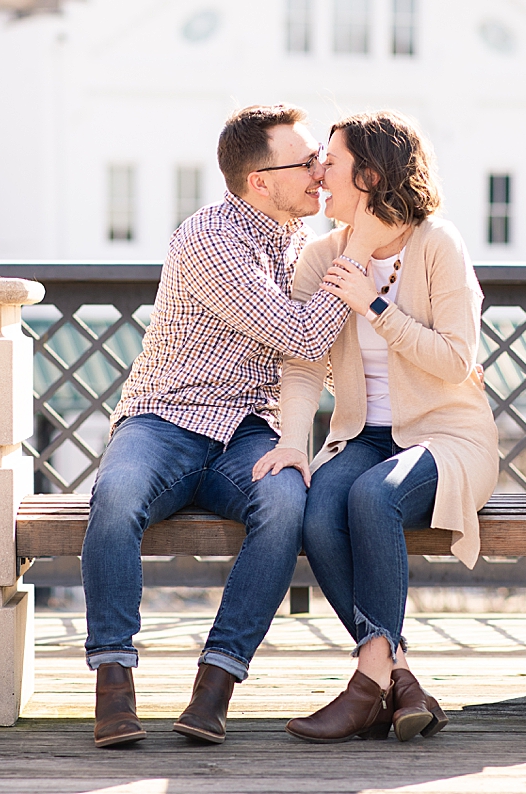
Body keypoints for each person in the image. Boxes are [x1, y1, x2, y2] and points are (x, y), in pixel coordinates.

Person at [82, 104, 401, 748]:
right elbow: (304, 336)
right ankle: (113, 678)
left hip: (248, 430)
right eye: (306, 162)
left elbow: (322, 361)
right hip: (165, 416)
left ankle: (216, 682)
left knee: (286, 506)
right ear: (261, 181)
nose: (320, 173)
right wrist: (355, 263)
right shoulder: (208, 239)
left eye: (321, 159)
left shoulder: (303, 246)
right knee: (114, 500)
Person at [260, 110, 499, 743]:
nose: (318, 175)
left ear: (368, 175)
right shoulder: (323, 256)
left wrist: (374, 304)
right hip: (364, 435)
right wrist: (293, 443)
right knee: (317, 511)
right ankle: (399, 677)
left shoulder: (436, 244)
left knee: (374, 496)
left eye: (329, 164)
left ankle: (367, 683)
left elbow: (455, 360)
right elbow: (303, 362)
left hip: (447, 432)